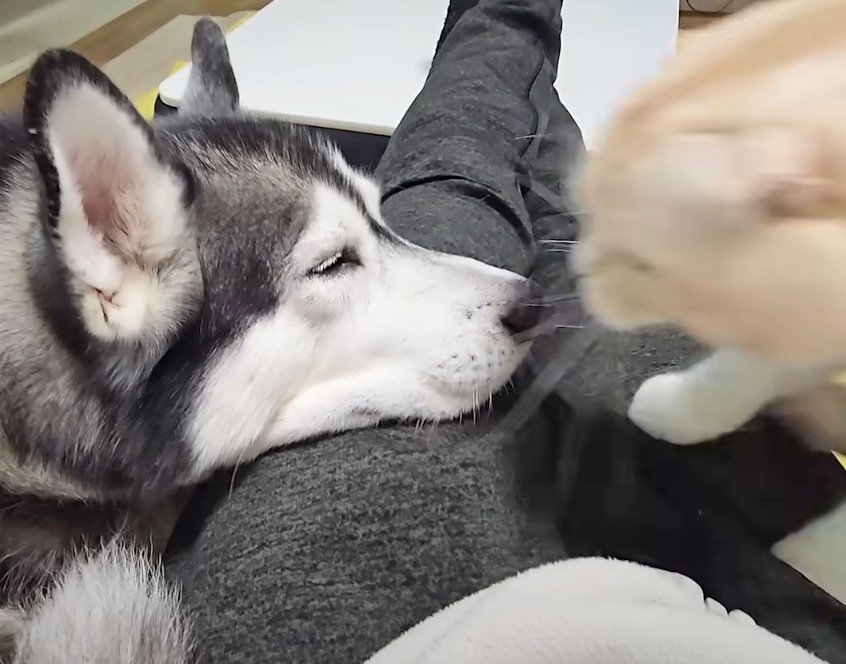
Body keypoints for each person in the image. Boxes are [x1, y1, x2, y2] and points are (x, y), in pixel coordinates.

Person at [164, 2, 846, 662]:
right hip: (713, 519)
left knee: (468, 174)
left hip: (352, 571)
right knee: (557, 224)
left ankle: (509, 29)